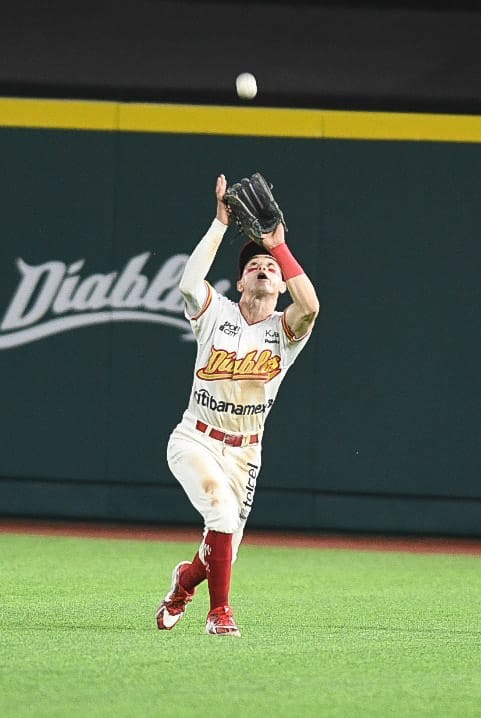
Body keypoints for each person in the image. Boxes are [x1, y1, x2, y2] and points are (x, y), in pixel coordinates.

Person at [156, 173, 320, 637]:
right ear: (240, 282)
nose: (263, 268)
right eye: (253, 266)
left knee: (223, 546)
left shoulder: (285, 333)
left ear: (282, 285)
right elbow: (190, 283)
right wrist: (220, 224)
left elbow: (311, 306)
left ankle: (183, 584)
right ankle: (220, 613)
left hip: (246, 453)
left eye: (271, 267)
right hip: (195, 439)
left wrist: (279, 246)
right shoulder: (217, 314)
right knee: (221, 517)